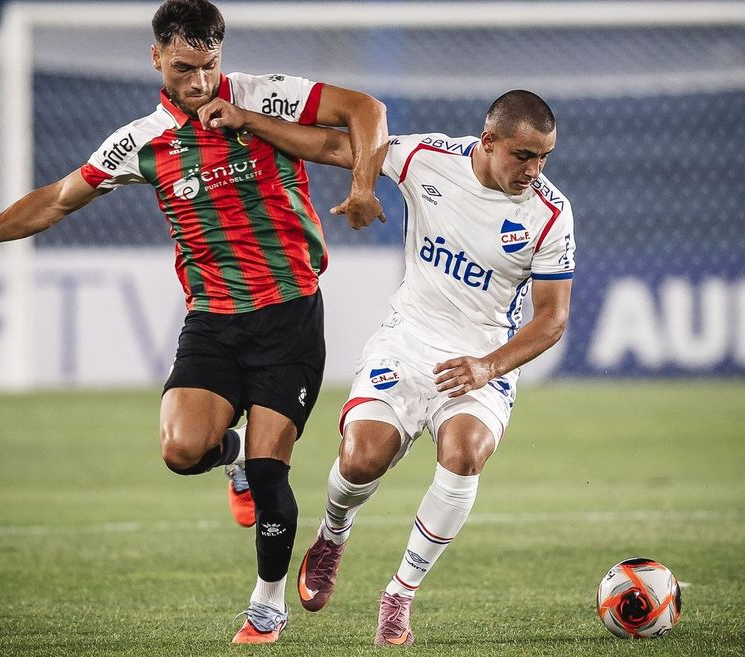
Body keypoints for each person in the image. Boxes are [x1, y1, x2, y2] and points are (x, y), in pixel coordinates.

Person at [0, 0, 388, 645]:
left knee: (274, 470)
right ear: (157, 57)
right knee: (180, 450)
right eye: (183, 68)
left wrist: (362, 187)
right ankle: (231, 458)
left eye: (209, 67)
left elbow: (367, 112)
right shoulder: (141, 141)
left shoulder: (269, 97)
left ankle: (266, 603)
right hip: (213, 323)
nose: (197, 83)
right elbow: (57, 199)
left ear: (223, 54)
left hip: (289, 314)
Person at [200, 89, 574, 645]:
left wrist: (485, 367)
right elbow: (336, 146)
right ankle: (332, 534)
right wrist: (247, 120)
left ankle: (400, 594)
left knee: (464, 453)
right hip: (408, 340)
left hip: (480, 356)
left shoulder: (550, 214)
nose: (534, 170)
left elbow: (551, 321)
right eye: (524, 155)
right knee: (361, 458)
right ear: (489, 141)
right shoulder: (430, 159)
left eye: (544, 157)